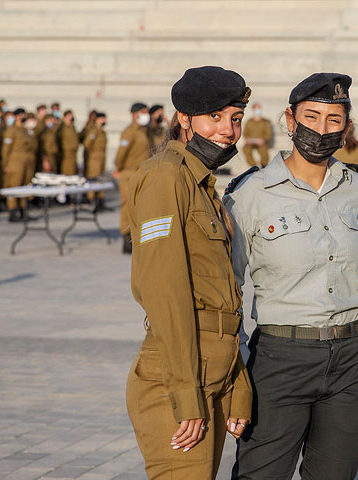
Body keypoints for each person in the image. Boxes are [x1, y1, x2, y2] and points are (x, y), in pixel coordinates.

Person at [225, 73, 358, 480]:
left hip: (352, 358)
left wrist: (352, 269)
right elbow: (228, 284)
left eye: (333, 120)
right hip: (279, 358)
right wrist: (232, 370)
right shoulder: (248, 193)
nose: (321, 129)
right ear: (290, 120)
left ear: (346, 127)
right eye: (311, 116)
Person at [125, 65, 253, 480]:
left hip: (211, 372)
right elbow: (165, 293)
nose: (227, 130)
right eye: (214, 117)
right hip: (179, 376)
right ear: (185, 119)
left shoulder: (201, 183)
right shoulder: (166, 177)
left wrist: (236, 384)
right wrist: (186, 396)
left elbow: (222, 298)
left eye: (235, 118)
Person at [114, 102, 151, 253]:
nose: (146, 115)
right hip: (129, 173)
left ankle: (134, 235)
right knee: (127, 205)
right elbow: (120, 155)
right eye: (143, 112)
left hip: (140, 173)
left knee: (138, 206)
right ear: (136, 114)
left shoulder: (143, 131)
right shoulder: (129, 132)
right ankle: (126, 237)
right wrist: (119, 168)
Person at [1, 108, 37, 222]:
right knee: (14, 186)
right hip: (15, 161)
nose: (23, 117)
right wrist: (5, 163)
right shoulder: (12, 130)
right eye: (21, 115)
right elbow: (6, 149)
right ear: (16, 116)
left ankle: (23, 210)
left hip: (27, 162)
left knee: (25, 186)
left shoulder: (26, 130)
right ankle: (12, 211)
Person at [84, 112, 109, 210]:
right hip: (94, 159)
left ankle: (100, 200)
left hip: (101, 158)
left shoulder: (102, 131)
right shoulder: (94, 131)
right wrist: (92, 154)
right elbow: (87, 144)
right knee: (93, 179)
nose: (104, 121)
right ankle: (92, 200)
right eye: (102, 119)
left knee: (100, 179)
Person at [241, 102, 272, 167]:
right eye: (255, 109)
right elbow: (245, 132)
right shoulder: (249, 121)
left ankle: (264, 165)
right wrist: (247, 139)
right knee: (245, 149)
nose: (257, 111)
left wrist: (264, 140)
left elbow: (268, 134)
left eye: (258, 109)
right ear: (253, 110)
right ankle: (253, 165)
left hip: (262, 142)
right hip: (251, 142)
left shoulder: (265, 122)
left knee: (264, 151)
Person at [58, 110, 80, 175]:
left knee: (73, 170)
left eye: (72, 116)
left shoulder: (72, 127)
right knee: (67, 170)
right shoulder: (62, 127)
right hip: (65, 153)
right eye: (69, 116)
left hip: (73, 153)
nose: (71, 117)